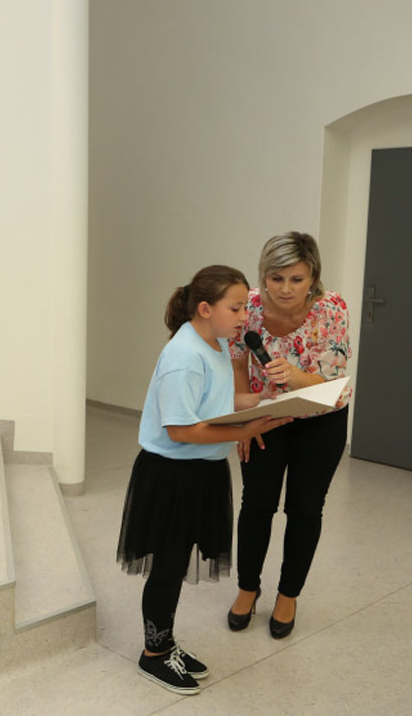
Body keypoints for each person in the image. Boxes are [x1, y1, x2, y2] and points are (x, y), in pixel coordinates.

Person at [117, 265, 290, 695]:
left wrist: (262, 399)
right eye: (236, 308)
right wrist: (246, 430)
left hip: (201, 471)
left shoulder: (214, 344)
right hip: (172, 476)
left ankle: (165, 643)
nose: (244, 317)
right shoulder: (184, 356)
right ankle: (153, 654)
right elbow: (180, 429)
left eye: (245, 308)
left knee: (176, 564)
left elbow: (217, 398)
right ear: (206, 308)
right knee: (167, 568)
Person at [227, 232, 351, 638]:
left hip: (321, 417)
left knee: (305, 509)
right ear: (263, 275)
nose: (284, 289)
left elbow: (332, 379)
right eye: (275, 278)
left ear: (313, 276)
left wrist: (294, 376)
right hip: (266, 417)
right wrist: (242, 422)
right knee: (255, 504)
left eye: (296, 279)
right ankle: (248, 588)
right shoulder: (249, 307)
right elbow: (238, 363)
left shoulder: (332, 308)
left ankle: (288, 595)